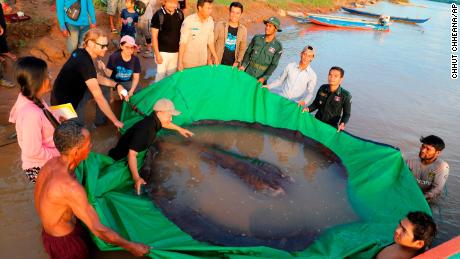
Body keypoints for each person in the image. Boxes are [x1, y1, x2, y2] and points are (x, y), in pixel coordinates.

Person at [35, 120, 150, 258]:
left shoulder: (49, 164)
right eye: (88, 145)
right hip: (66, 241)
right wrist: (131, 246)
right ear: (76, 151)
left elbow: (38, 203)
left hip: (50, 234)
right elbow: (98, 230)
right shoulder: (70, 187)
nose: (91, 146)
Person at [109, 98, 193, 194]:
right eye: (169, 115)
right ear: (159, 113)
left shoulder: (154, 119)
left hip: (135, 148)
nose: (171, 119)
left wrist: (180, 129)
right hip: (122, 157)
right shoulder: (145, 130)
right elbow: (131, 154)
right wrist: (136, 178)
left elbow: (165, 124)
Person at [51, 28, 125, 129]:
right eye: (103, 46)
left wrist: (117, 85)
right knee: (78, 132)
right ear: (90, 44)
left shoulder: (80, 52)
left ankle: (100, 121)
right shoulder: (85, 63)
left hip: (66, 95)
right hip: (64, 107)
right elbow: (99, 98)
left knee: (104, 87)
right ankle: (75, 124)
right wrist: (116, 121)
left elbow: (95, 77)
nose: (106, 48)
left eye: (106, 45)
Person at [9, 56, 60, 183]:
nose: (50, 77)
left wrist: (58, 116)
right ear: (36, 81)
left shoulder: (34, 98)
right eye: (47, 75)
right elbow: (33, 151)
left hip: (49, 157)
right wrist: (61, 155)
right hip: (42, 166)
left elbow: (43, 116)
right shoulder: (30, 114)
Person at [302, 66, 351, 132]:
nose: (331, 78)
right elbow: (315, 104)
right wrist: (308, 109)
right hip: (316, 123)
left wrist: (342, 123)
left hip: (330, 128)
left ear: (341, 79)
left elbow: (346, 114)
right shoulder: (323, 88)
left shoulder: (346, 95)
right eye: (330, 75)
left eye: (335, 76)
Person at [239, 16, 283, 84]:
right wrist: (243, 65)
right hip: (248, 72)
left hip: (261, 77)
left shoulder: (278, 46)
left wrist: (264, 77)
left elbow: (273, 65)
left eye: (270, 26)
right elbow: (248, 53)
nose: (267, 28)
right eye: (266, 25)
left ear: (276, 29)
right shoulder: (257, 38)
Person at [406, 135, 449, 202]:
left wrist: (420, 199)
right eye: (423, 146)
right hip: (409, 194)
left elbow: (437, 189)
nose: (423, 150)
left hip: (427, 199)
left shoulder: (441, 166)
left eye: (428, 149)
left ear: (437, 152)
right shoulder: (410, 160)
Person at [177, 0, 218, 71]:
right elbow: (183, 43)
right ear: (200, 8)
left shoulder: (211, 22)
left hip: (202, 63)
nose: (210, 11)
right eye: (208, 8)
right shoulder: (188, 21)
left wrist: (215, 56)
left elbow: (210, 42)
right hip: (188, 64)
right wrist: (180, 61)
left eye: (211, 8)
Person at [98, 35, 141, 101]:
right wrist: (104, 68)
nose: (130, 50)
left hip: (127, 81)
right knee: (104, 87)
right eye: (127, 47)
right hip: (114, 81)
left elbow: (136, 77)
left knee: (138, 89)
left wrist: (131, 91)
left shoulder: (135, 59)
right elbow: (109, 74)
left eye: (132, 47)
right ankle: (110, 98)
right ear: (121, 46)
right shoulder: (114, 57)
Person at [151, 0, 184, 81]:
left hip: (175, 52)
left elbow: (182, 33)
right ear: (164, 2)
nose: (173, 5)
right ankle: (158, 93)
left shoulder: (180, 14)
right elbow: (154, 36)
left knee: (171, 77)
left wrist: (180, 52)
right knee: (160, 77)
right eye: (170, 2)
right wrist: (157, 54)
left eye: (175, 3)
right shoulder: (159, 15)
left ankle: (167, 94)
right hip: (162, 52)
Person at [212, 1, 247, 67]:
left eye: (237, 13)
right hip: (217, 63)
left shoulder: (243, 30)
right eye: (232, 12)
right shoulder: (220, 25)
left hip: (232, 66)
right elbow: (212, 42)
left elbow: (242, 49)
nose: (234, 15)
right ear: (229, 12)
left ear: (241, 14)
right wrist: (210, 59)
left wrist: (238, 61)